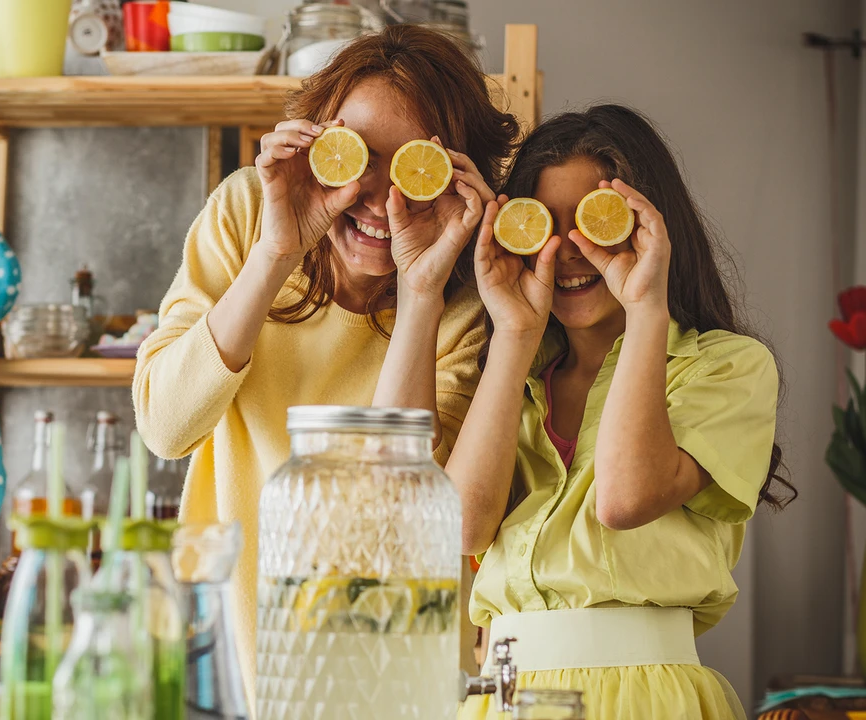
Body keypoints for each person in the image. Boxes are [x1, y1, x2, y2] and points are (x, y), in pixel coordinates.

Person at [132, 25, 517, 696]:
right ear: (318, 148)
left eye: (413, 171)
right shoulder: (249, 214)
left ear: (457, 177)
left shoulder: (468, 295)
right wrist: (276, 252)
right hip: (237, 656)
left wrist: (421, 289)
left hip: (399, 668)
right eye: (358, 157)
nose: (380, 200)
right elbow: (166, 428)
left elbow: (405, 519)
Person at [450, 104, 794, 719]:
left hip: (643, 698)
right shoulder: (511, 377)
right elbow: (460, 531)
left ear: (652, 228)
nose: (568, 250)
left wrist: (645, 308)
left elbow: (624, 499)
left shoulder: (729, 367)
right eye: (543, 225)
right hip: (501, 701)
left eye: (597, 222)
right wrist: (515, 335)